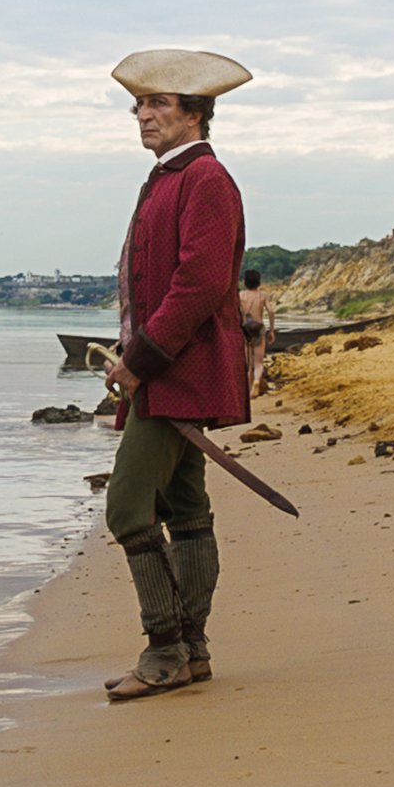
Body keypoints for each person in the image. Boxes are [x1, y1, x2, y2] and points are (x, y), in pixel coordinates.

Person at [99, 48, 251, 701]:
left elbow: (198, 285)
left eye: (158, 102)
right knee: (185, 508)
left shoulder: (206, 179)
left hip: (176, 375)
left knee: (127, 508)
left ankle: (165, 649)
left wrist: (138, 362)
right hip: (164, 373)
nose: (143, 114)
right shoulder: (164, 178)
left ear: (196, 113)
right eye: (140, 103)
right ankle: (191, 651)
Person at [239, 269, 275, 398]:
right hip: (259, 328)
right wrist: (271, 330)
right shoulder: (263, 295)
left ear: (245, 282)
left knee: (248, 364)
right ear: (258, 282)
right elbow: (271, 311)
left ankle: (248, 392)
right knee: (258, 363)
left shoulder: (240, 295)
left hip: (245, 329)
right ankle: (256, 382)